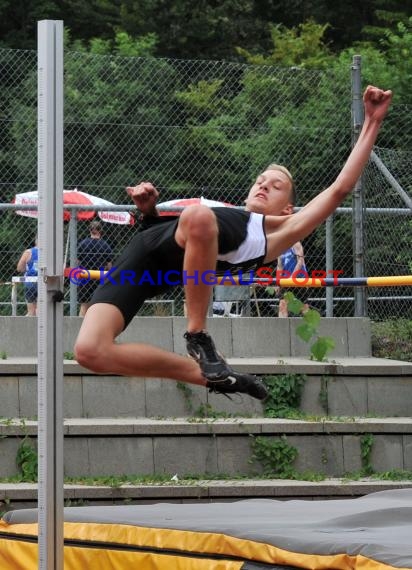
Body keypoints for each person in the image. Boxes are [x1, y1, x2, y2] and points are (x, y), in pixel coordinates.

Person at [74, 85, 392, 402]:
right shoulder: (230, 218)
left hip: (164, 268)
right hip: (142, 258)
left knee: (198, 217)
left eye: (276, 186)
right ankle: (211, 376)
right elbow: (168, 238)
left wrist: (372, 122)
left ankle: (197, 336)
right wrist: (149, 211)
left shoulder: (278, 233)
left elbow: (339, 189)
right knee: (90, 352)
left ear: (288, 208)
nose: (264, 186)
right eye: (260, 182)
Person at [77, 220, 113, 317]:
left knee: (84, 306)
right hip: (99, 278)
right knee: (98, 305)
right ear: (100, 231)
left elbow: (77, 261)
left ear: (89, 230)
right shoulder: (105, 246)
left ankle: (80, 328)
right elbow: (109, 266)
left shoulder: (83, 244)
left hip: (84, 277)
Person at [277, 241, 310, 317]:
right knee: (282, 303)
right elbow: (279, 266)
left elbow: (300, 261)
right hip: (286, 280)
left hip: (299, 278)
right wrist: (278, 281)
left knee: (303, 306)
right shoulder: (279, 247)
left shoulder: (295, 243)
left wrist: (292, 278)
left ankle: (310, 326)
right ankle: (283, 327)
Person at [16, 236, 38, 316]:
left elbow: (19, 268)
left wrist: (27, 268)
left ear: (36, 241)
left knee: (31, 311)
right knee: (40, 310)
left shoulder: (28, 252)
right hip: (44, 281)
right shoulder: (49, 253)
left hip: (30, 281)